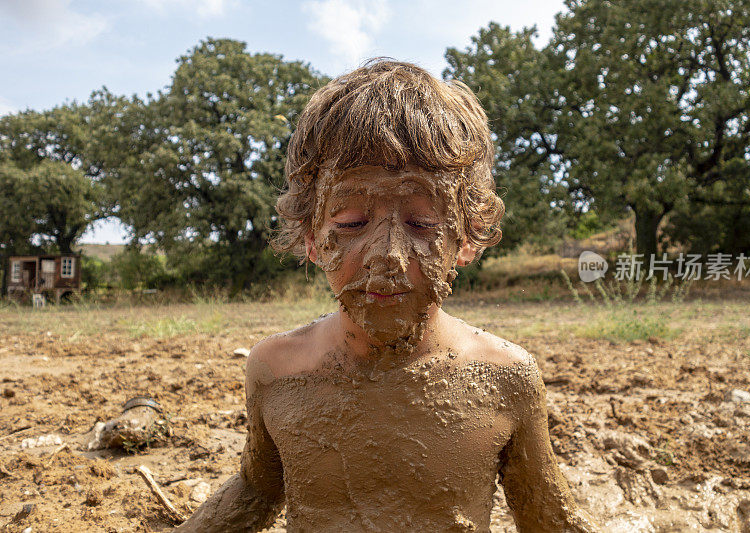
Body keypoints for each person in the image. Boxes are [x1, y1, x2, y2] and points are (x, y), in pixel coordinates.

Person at [176, 59, 595, 532]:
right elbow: (256, 491)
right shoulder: (276, 370)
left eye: (423, 223)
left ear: (467, 237)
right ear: (311, 236)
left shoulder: (505, 378)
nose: (388, 256)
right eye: (352, 223)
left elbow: (547, 516)